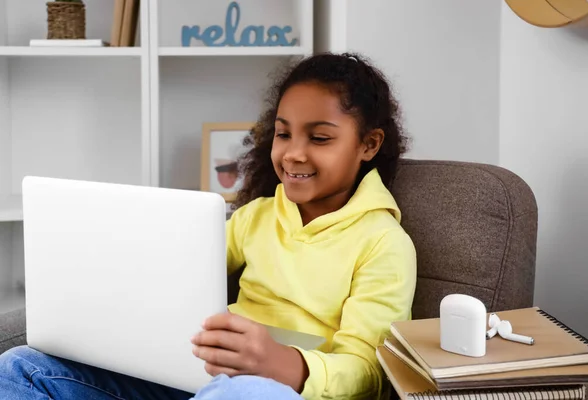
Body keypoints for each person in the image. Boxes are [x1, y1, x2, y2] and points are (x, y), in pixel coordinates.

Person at [0, 52, 417, 400]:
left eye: (320, 138)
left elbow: (369, 372)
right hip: (198, 376)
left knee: (242, 394)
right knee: (19, 367)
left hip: (280, 391)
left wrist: (285, 364)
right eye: (283, 134)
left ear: (369, 144)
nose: (293, 154)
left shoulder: (383, 244)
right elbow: (178, 280)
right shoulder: (256, 217)